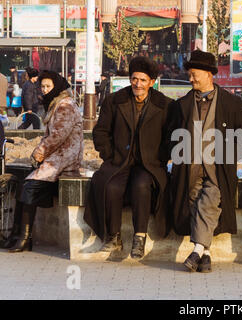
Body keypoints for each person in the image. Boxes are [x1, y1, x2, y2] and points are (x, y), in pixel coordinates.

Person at [83, 57, 172, 260]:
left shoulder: (165, 105)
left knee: (141, 185)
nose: (137, 84)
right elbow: (101, 132)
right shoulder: (114, 101)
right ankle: (113, 236)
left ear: (151, 82)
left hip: (149, 164)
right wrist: (109, 154)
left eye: (142, 80)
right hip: (119, 161)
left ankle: (139, 237)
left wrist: (161, 157)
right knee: (110, 186)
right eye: (134, 79)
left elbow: (171, 137)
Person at [168, 50, 242, 273]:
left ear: (208, 74)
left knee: (210, 200)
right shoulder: (182, 105)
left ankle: (195, 251)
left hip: (218, 168)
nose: (190, 78)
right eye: (190, 74)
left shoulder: (231, 103)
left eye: (194, 74)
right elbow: (172, 135)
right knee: (194, 202)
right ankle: (205, 253)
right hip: (189, 167)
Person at [6, 70, 83, 252]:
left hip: (65, 157)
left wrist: (38, 154)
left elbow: (57, 136)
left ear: (56, 86)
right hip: (57, 156)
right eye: (42, 86)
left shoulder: (65, 105)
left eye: (48, 86)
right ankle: (16, 234)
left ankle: (25, 238)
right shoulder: (55, 104)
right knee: (24, 183)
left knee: (30, 185)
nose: (45, 90)